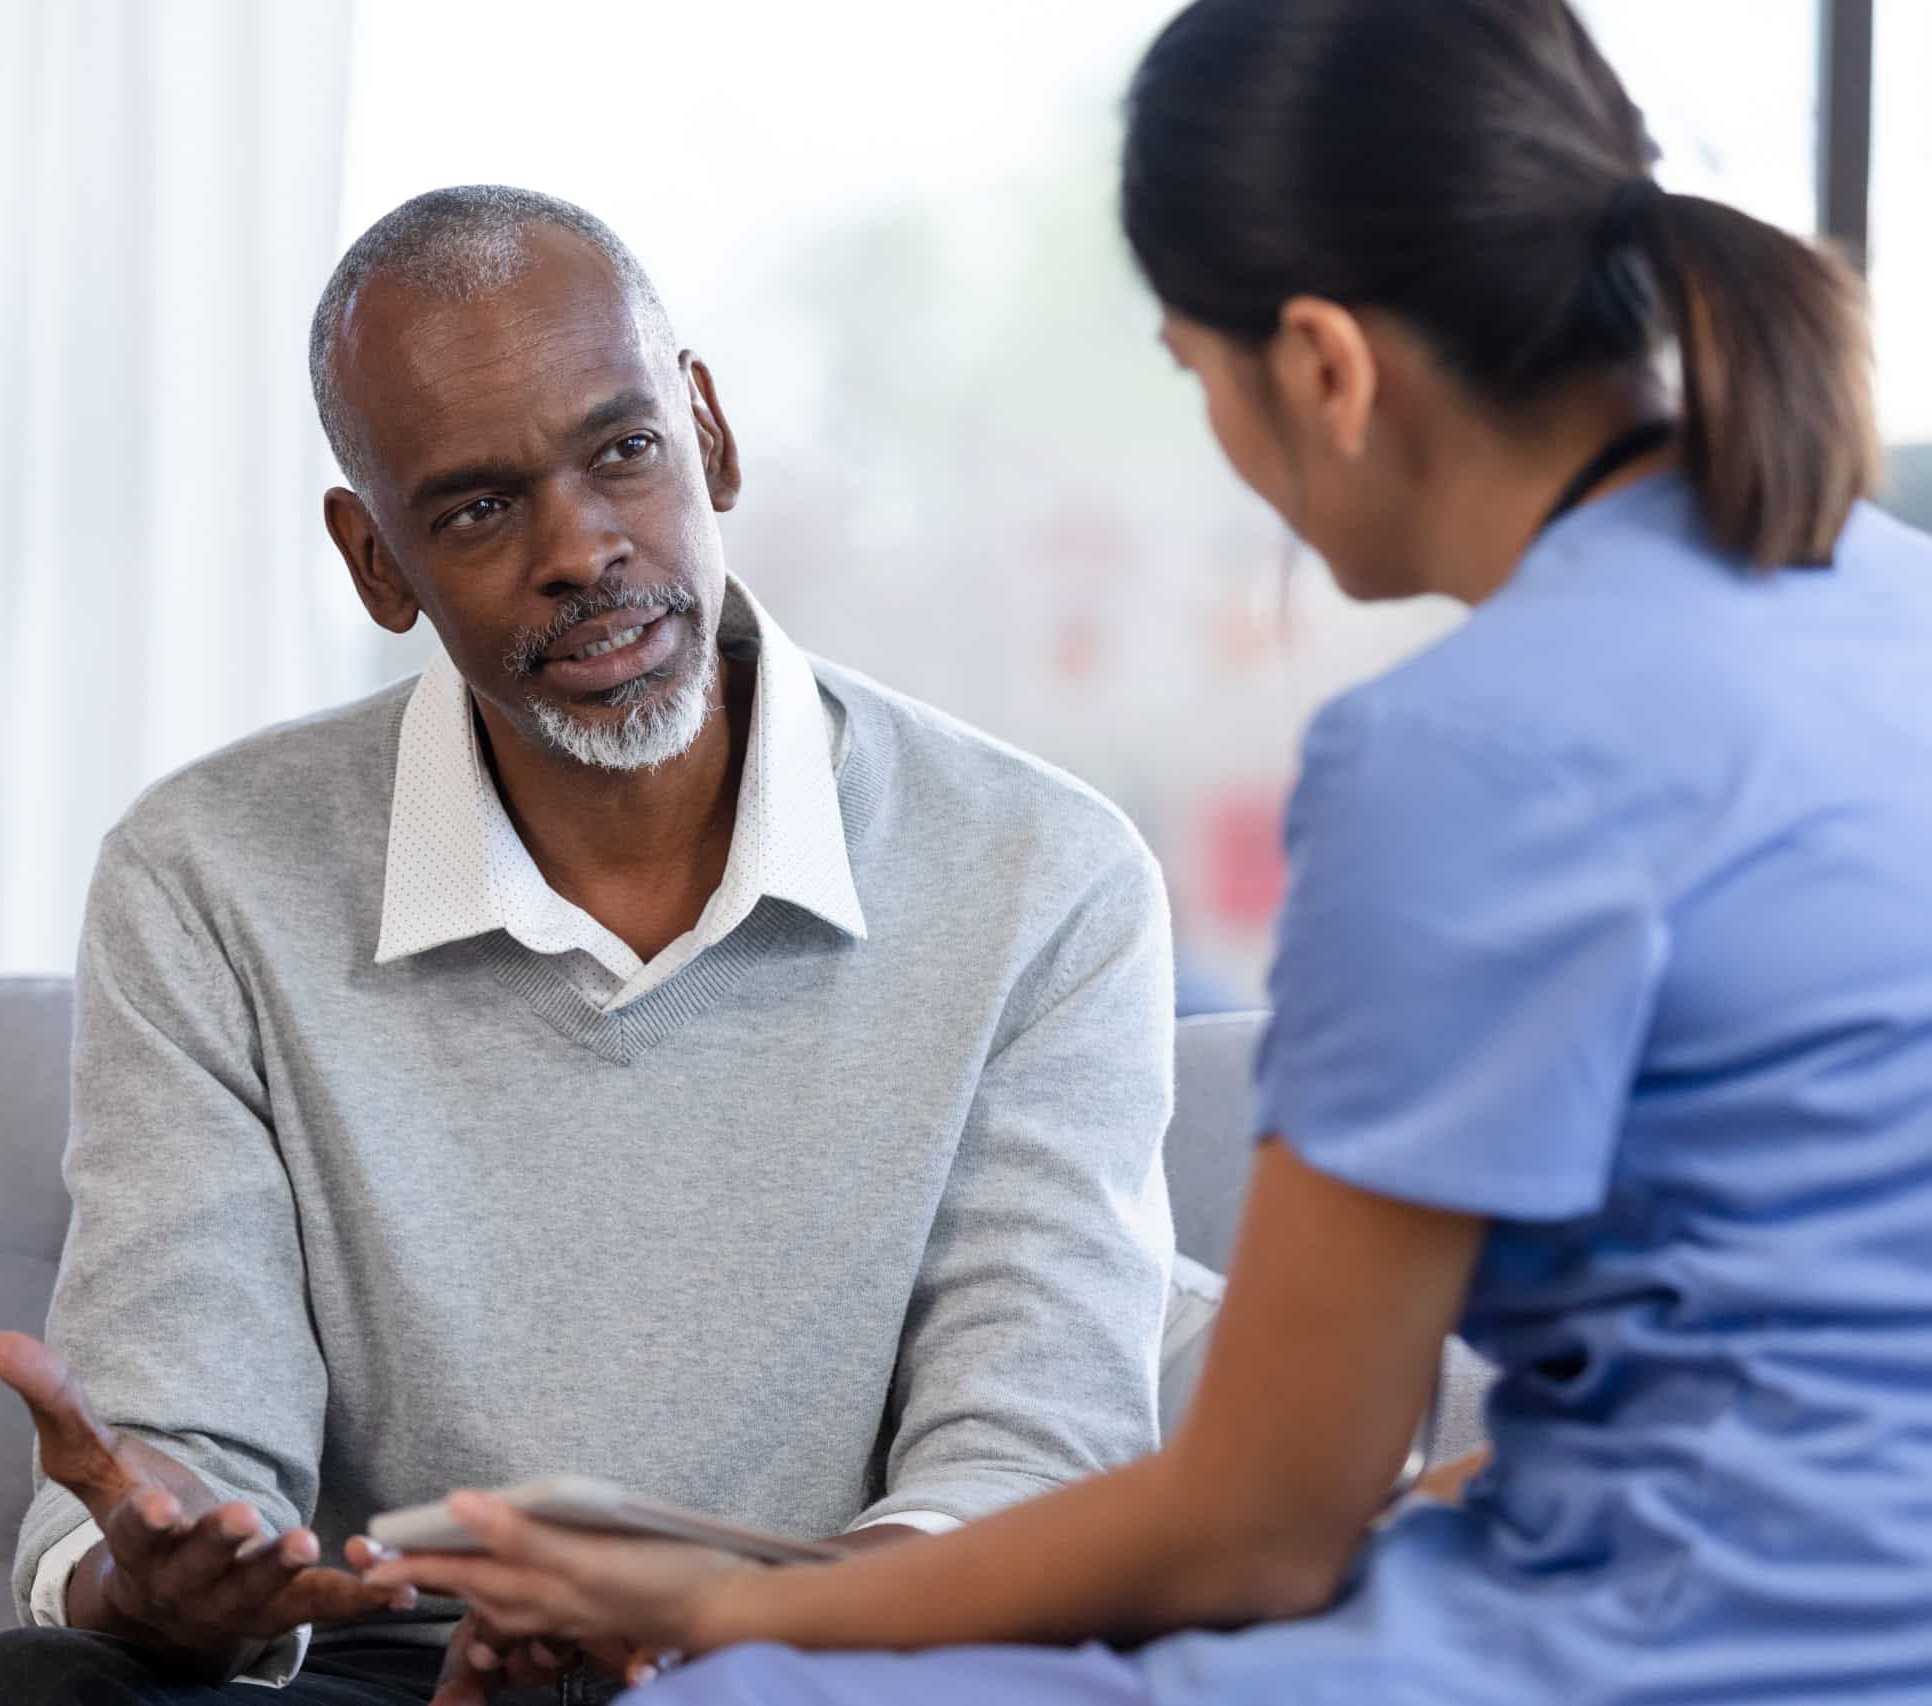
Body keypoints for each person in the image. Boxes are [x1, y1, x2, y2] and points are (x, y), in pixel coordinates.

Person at [356, 3, 1932, 1701]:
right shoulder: (1886, 606)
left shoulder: (1466, 754)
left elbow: (1261, 1523)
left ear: (1324, 366)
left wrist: (729, 1611)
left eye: (1197, 376)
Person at [0, 186, 1182, 1706]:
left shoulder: (1048, 873)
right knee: (12, 1698)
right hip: (387, 1675)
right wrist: (162, 1583)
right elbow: (183, 1463)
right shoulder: (207, 873)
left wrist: (708, 1635)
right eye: (481, 506)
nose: (582, 547)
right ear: (376, 564)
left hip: (820, 1662)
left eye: (624, 449)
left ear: (708, 431)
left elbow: (1026, 1466)